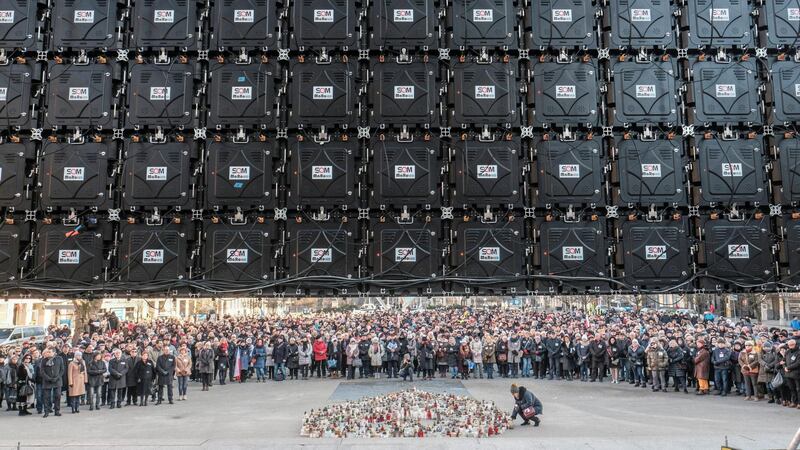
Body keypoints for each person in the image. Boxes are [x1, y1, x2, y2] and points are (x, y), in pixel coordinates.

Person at [39, 348, 64, 417]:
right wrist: (49, 378)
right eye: (47, 352)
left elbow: (62, 370)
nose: (47, 353)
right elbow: (42, 371)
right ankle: (46, 411)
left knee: (58, 396)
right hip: (47, 381)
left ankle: (57, 411)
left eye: (49, 352)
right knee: (46, 397)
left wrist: (57, 377)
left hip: (57, 380)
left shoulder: (59, 359)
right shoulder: (44, 360)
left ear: (54, 352)